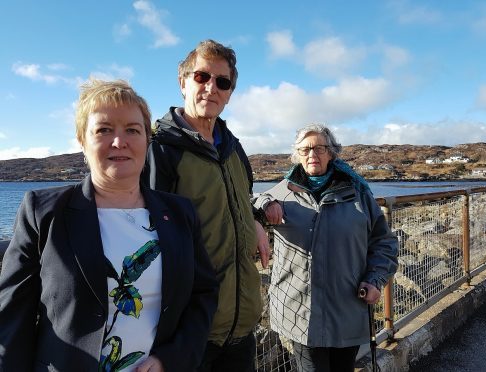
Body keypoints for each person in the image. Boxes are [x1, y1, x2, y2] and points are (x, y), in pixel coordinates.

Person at [0, 79, 218, 372]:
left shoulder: (180, 213)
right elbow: (12, 318)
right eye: (104, 130)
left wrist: (172, 359)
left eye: (132, 130)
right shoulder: (43, 211)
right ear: (82, 141)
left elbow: (203, 294)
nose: (120, 141)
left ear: (146, 140)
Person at [143, 39, 269, 372]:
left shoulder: (233, 147)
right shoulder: (160, 150)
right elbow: (148, 232)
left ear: (229, 93)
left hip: (241, 326)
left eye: (222, 82)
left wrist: (255, 221)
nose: (211, 88)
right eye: (202, 77)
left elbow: (242, 201)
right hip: (192, 333)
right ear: (183, 81)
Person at [254, 124, 398, 372]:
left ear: (331, 153)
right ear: (297, 155)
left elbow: (383, 242)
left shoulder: (357, 193)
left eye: (320, 148)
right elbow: (248, 205)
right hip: (297, 310)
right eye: (305, 149)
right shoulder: (281, 192)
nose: (312, 155)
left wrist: (375, 279)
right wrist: (265, 203)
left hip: (348, 307)